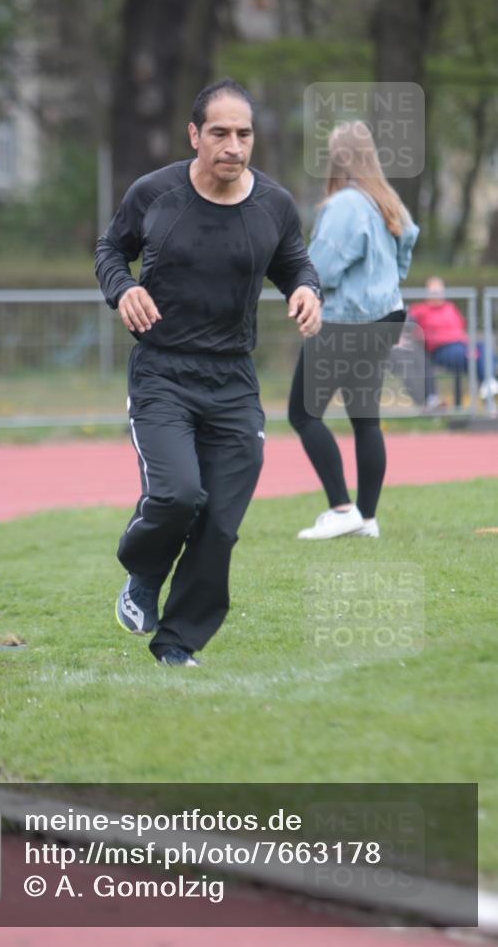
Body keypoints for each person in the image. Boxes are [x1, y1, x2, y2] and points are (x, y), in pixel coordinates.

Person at [95, 79, 322, 667]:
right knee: (177, 495)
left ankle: (177, 643)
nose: (233, 145)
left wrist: (306, 289)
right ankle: (143, 573)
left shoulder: (273, 204)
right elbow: (110, 250)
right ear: (194, 135)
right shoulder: (155, 194)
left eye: (243, 134)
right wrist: (122, 290)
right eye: (219, 132)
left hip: (233, 382)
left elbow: (295, 261)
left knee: (220, 522)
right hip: (163, 374)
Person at [288, 120, 419, 540]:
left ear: (338, 158)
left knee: (303, 412)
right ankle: (367, 517)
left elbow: (321, 269)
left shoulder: (345, 203)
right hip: (386, 316)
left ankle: (342, 507)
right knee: (365, 417)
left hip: (347, 321)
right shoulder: (387, 200)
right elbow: (408, 244)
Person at [408, 276, 497, 408]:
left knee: (483, 347)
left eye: (440, 290)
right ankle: (489, 384)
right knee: (481, 358)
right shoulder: (419, 310)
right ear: (427, 292)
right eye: (433, 291)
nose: (437, 294)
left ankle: (488, 384)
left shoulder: (450, 308)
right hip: (441, 350)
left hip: (463, 347)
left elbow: (460, 327)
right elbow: (408, 329)